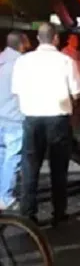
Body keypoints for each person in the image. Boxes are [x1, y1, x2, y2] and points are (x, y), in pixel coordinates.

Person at [12, 23, 80, 225]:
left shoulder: (23, 62)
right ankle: (59, 213)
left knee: (30, 166)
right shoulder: (66, 61)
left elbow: (16, 90)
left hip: (32, 119)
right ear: (56, 39)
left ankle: (28, 214)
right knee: (58, 168)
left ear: (38, 38)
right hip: (58, 119)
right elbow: (77, 92)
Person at [0, 32, 30, 210]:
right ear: (21, 44)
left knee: (1, 156)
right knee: (13, 158)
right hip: (14, 117)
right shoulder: (22, 63)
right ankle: (5, 197)